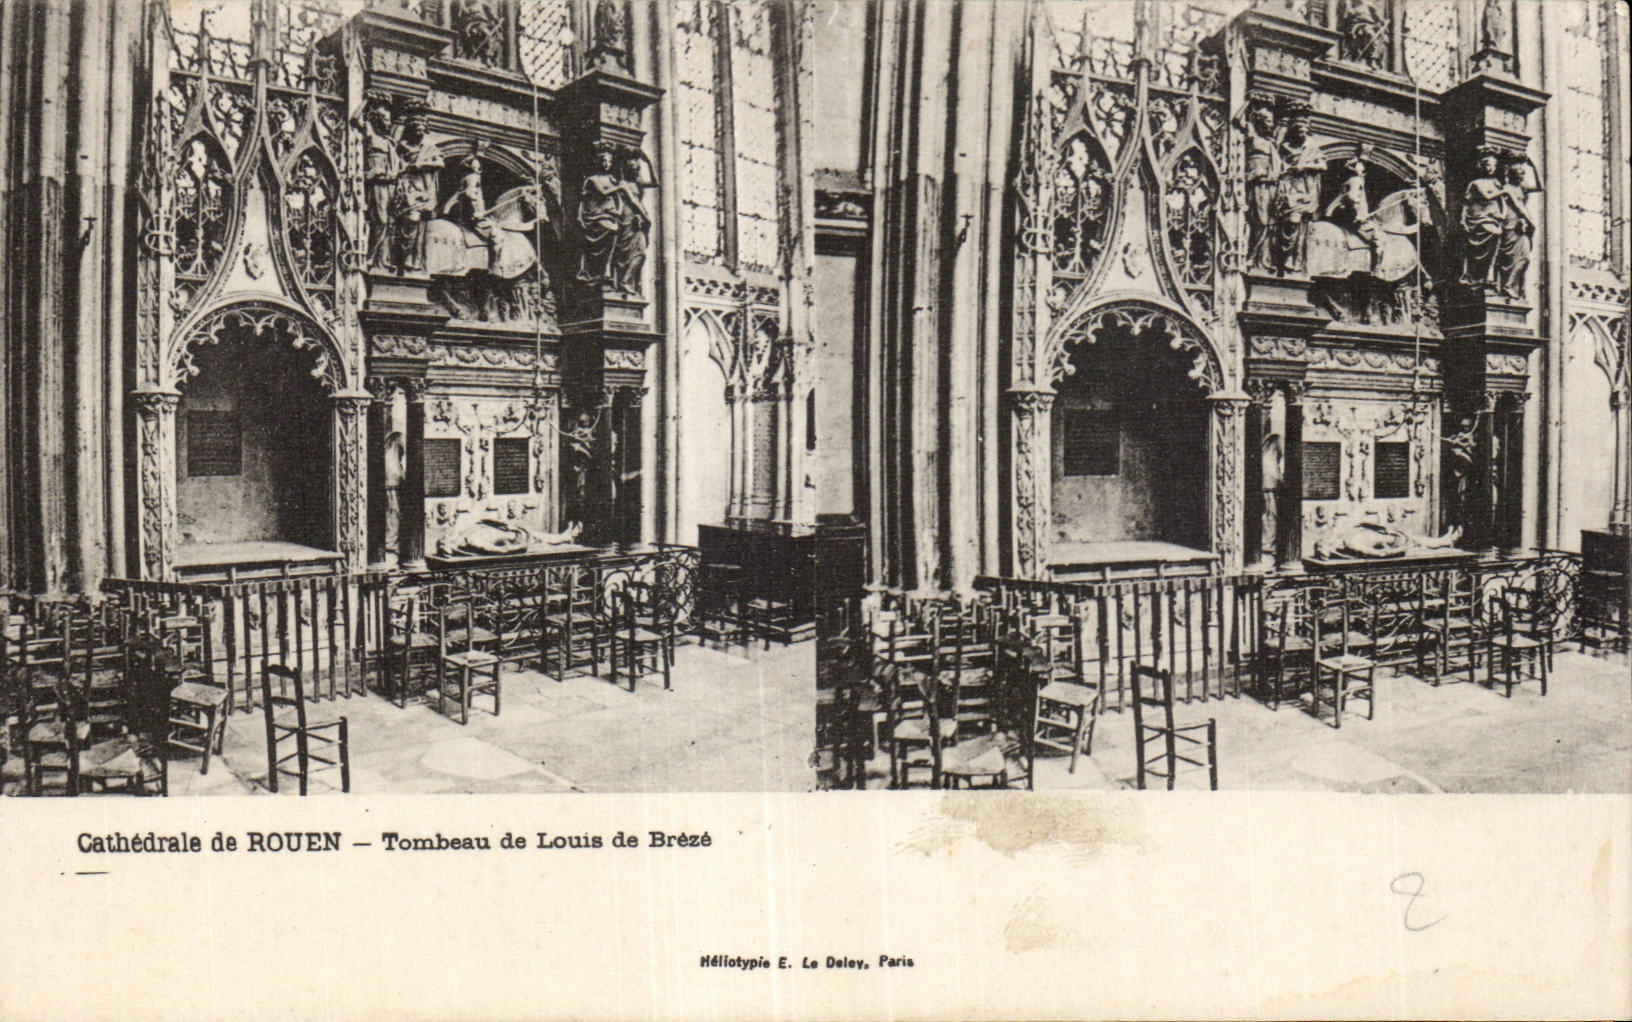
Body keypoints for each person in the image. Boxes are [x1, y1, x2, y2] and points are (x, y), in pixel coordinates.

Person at [576, 143, 622, 287]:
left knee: (614, 231)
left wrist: (619, 210)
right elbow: (601, 193)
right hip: (595, 215)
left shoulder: (611, 179)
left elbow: (618, 199)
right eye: (603, 160)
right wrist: (620, 187)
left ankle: (607, 267)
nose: (606, 164)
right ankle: (595, 271)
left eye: (609, 161)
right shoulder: (592, 179)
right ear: (598, 161)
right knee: (609, 231)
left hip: (609, 214)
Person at [1459, 149, 1505, 290]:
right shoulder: (1476, 183)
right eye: (1487, 165)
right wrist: (1462, 219)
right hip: (1478, 217)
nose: (1491, 168)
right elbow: (1472, 201)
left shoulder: (1496, 183)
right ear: (1481, 165)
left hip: (1493, 217)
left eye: (1493, 165)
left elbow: (1502, 201)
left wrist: (1503, 214)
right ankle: (1474, 276)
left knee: (1496, 237)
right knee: (1477, 248)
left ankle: (1489, 273)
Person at [1497, 159, 1534, 299]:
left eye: (1522, 174)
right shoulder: (1507, 188)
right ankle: (1507, 286)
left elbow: (1540, 186)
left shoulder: (1522, 187)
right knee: (1510, 257)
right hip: (1510, 222)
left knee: (1525, 257)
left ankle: (1510, 285)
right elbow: (1517, 205)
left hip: (1521, 224)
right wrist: (1530, 221)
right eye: (1518, 173)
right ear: (1512, 174)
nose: (1521, 176)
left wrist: (1534, 167)